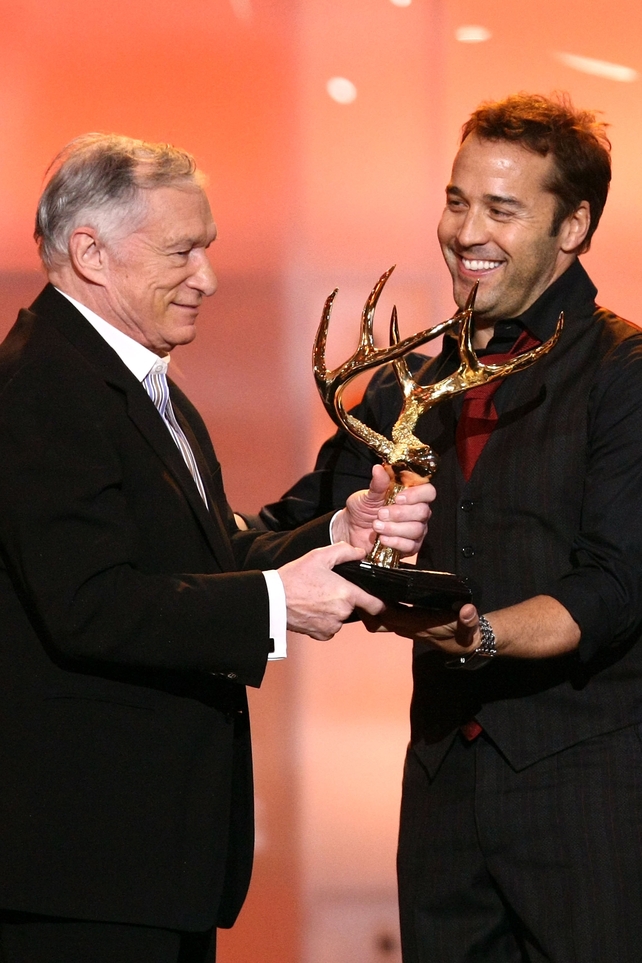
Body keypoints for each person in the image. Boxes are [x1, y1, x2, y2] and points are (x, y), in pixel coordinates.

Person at [0, 133, 435, 963]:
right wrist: (279, 602)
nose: (206, 276)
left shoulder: (139, 382)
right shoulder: (45, 387)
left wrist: (337, 535)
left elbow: (198, 558)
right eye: (181, 251)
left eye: (209, 248)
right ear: (90, 252)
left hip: (144, 869)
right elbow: (91, 603)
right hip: (83, 878)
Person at [251, 93, 642, 962]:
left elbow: (615, 585)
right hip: (441, 794)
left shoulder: (624, 374)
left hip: (590, 801)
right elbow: (299, 525)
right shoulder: (406, 388)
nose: (467, 230)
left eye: (502, 209)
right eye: (458, 200)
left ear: (573, 225)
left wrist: (481, 634)